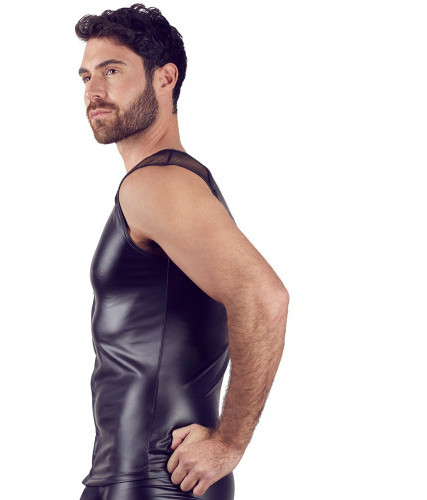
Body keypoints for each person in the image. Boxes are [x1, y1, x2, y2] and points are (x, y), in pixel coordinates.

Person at [74, 4, 289, 499]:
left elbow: (264, 298)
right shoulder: (173, 182)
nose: (93, 91)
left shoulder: (157, 184)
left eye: (112, 71)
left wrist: (229, 443)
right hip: (144, 478)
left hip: (154, 479)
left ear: (165, 78)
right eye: (86, 76)